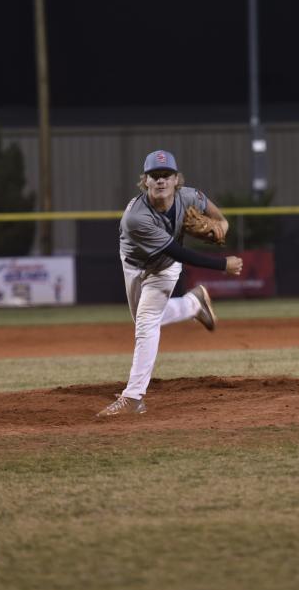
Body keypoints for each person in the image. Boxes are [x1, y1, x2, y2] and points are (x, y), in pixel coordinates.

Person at [97, 150, 243, 417]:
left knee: (146, 323)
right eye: (155, 176)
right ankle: (191, 304)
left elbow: (219, 218)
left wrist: (222, 226)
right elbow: (179, 252)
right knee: (145, 321)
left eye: (166, 175)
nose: (161, 181)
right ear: (145, 181)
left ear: (177, 179)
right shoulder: (136, 218)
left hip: (164, 270)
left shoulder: (189, 196)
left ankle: (133, 397)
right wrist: (223, 265)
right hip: (134, 265)